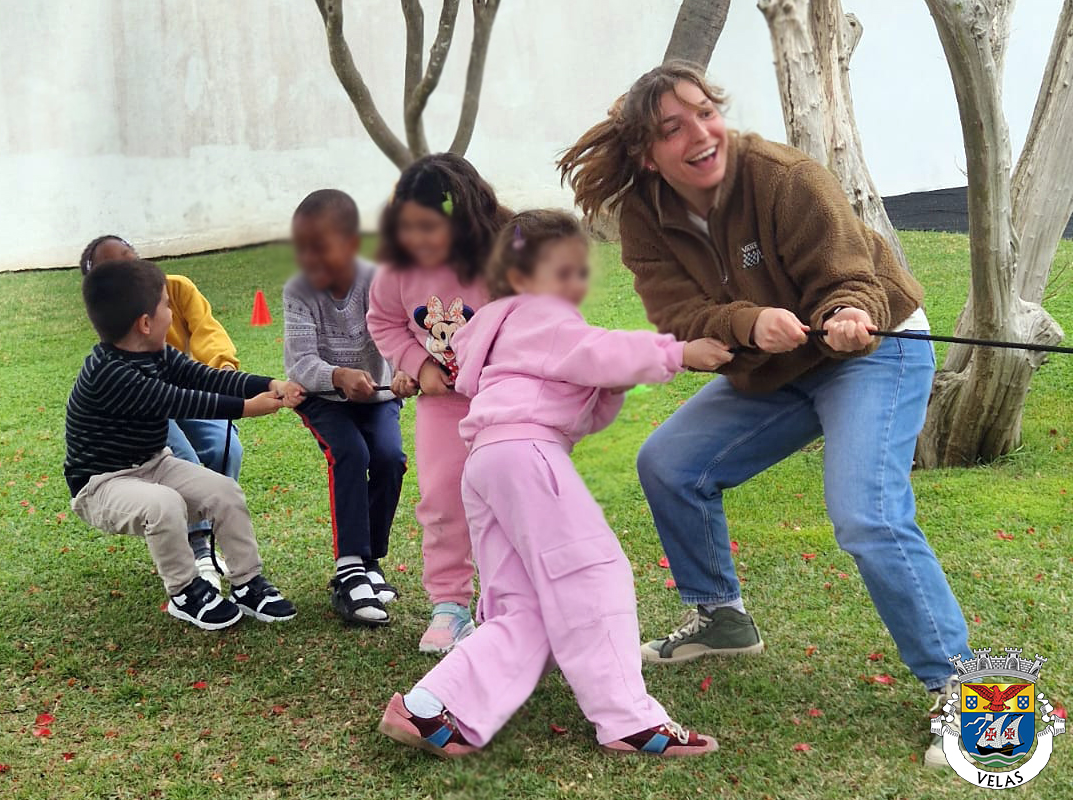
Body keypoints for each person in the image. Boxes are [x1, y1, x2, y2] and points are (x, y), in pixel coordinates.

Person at [557, 62, 971, 767]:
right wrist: (747, 323)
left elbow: (850, 276)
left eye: (704, 112)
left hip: (874, 351)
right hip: (776, 366)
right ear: (646, 154)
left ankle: (962, 687)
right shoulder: (644, 217)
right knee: (669, 464)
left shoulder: (784, 177)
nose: (699, 134)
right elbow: (678, 315)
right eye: (672, 128)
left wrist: (848, 313)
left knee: (867, 516)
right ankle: (721, 617)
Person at [379, 210, 731, 758]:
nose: (575, 283)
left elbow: (584, 390)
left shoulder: (497, 326)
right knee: (594, 574)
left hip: (489, 462)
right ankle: (628, 719)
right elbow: (597, 352)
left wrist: (610, 385)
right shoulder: (540, 313)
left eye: (579, 270)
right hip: (527, 457)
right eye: (561, 270)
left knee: (528, 609)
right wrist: (679, 353)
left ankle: (431, 706)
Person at [65, 259, 303, 631]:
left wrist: (270, 384)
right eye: (166, 305)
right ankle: (185, 591)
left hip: (153, 463)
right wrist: (247, 408)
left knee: (224, 492)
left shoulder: (157, 354)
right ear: (145, 323)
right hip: (102, 485)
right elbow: (182, 401)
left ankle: (247, 582)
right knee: (164, 504)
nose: (172, 313)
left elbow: (204, 378)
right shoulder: (109, 373)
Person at [366, 154, 510, 654]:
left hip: (506, 401)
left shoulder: (504, 256)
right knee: (442, 499)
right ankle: (450, 606)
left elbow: (540, 317)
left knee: (510, 495)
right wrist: (418, 364)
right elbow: (384, 321)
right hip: (442, 406)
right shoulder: (397, 269)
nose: (417, 240)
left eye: (429, 228)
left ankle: (511, 603)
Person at [80, 236, 244, 589]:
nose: (128, 268)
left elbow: (207, 331)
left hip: (190, 392)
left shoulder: (177, 288)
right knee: (182, 459)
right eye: (113, 267)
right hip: (148, 406)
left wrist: (224, 366)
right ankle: (198, 550)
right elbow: (158, 396)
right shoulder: (114, 330)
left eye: (130, 257)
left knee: (225, 447)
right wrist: (248, 404)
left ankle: (216, 544)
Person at [283, 189, 415, 627]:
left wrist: (404, 370)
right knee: (351, 453)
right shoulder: (298, 290)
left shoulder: (378, 281)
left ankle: (370, 561)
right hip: (322, 397)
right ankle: (349, 570)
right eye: (303, 247)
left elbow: (398, 335)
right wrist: (339, 376)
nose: (311, 258)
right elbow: (300, 363)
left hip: (378, 394)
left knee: (389, 458)